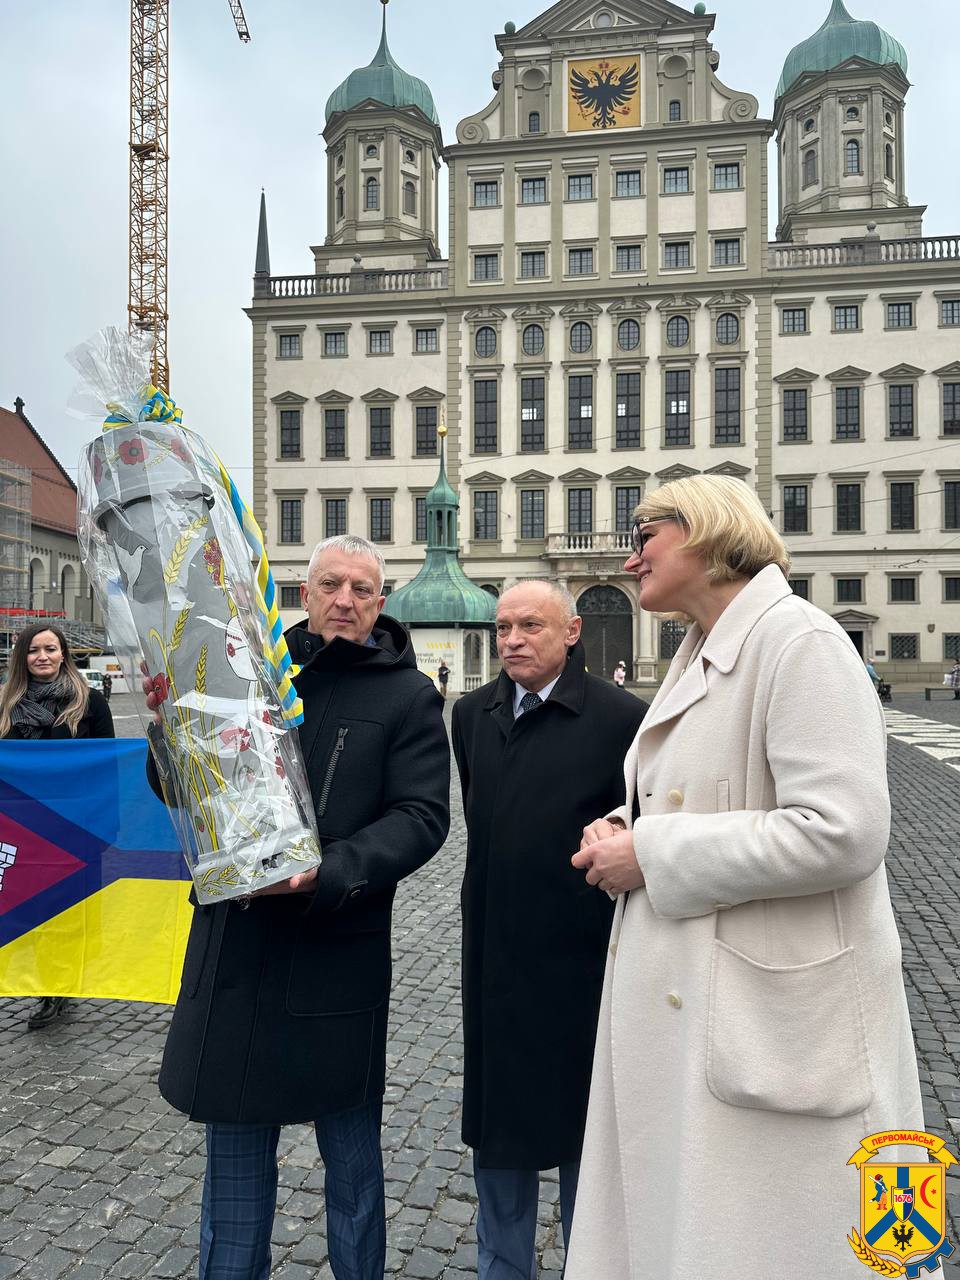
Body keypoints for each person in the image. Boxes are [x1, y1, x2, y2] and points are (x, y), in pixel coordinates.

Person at [567, 476, 925, 1280]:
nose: (629, 558)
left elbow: (844, 830)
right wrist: (628, 823)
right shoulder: (705, 645)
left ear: (704, 532)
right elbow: (704, 795)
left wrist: (653, 852)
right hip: (708, 1020)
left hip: (782, 1036)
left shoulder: (802, 641)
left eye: (644, 534)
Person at [144, 534, 450, 1280]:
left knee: (353, 1173)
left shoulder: (408, 695)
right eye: (330, 585)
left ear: (380, 603)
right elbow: (181, 786)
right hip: (239, 954)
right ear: (304, 594)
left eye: (361, 589)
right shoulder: (244, 670)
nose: (345, 600)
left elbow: (420, 817)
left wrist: (330, 871)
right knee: (235, 1182)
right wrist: (169, 729)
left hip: (332, 955)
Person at [452, 580, 646, 1280]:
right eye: (503, 626)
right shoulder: (471, 714)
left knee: (584, 1139)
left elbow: (640, 828)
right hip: (494, 958)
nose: (512, 640)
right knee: (499, 1138)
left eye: (530, 625)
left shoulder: (624, 718)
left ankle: (588, 1266)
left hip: (583, 964)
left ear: (571, 631)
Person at [0, 623, 115, 1030]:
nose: (42, 656)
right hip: (22, 828)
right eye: (34, 650)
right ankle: (46, 981)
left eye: (50, 648)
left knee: (65, 909)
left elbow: (108, 766)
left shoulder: (90, 702)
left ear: (64, 653)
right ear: (23, 657)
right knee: (29, 907)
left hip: (74, 828)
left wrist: (108, 825)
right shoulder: (6, 705)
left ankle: (57, 986)